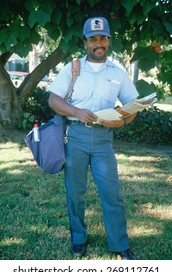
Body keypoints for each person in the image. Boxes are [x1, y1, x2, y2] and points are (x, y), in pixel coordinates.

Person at [48, 17, 139, 259]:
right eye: (92, 39)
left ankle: (119, 244)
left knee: (112, 193)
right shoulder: (73, 67)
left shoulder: (118, 72)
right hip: (75, 136)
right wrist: (76, 111)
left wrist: (121, 121)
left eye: (102, 38)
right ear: (86, 42)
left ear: (108, 40)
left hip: (103, 140)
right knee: (75, 192)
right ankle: (78, 239)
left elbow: (133, 105)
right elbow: (53, 100)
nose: (98, 43)